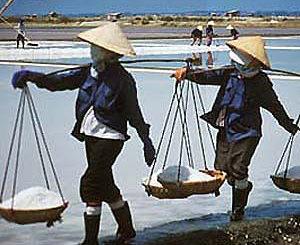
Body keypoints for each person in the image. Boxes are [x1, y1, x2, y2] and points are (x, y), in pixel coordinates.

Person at [11, 22, 156, 244]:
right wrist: (33, 77)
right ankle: (127, 230)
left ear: (108, 52)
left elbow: (134, 112)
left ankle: (90, 241)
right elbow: (58, 82)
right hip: (91, 136)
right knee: (105, 185)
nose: (91, 50)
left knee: (89, 183)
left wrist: (146, 141)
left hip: (111, 137)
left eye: (95, 47)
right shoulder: (88, 72)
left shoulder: (124, 80)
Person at [172, 36, 299, 222]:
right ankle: (243, 187)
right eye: (236, 64)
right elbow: (206, 76)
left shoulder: (261, 83)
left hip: (247, 132)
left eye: (243, 66)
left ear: (255, 66)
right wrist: (187, 73)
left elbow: (274, 106)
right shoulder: (228, 72)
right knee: (223, 170)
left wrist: (287, 124)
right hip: (225, 128)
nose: (238, 68)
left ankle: (237, 211)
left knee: (238, 168)